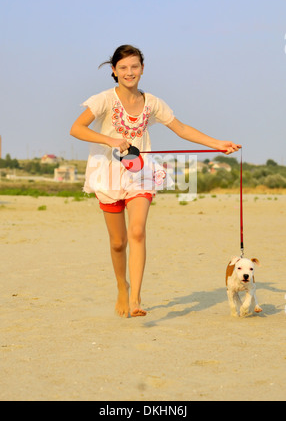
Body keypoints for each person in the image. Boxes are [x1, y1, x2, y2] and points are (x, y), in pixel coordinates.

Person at [70, 44, 241, 318]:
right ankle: (121, 286)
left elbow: (181, 128)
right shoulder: (103, 99)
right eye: (123, 67)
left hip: (140, 173)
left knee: (137, 232)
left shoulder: (152, 103)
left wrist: (217, 144)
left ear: (142, 69)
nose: (129, 72)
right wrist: (110, 139)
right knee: (117, 242)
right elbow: (76, 128)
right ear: (114, 71)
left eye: (134, 66)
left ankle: (136, 298)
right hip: (109, 174)